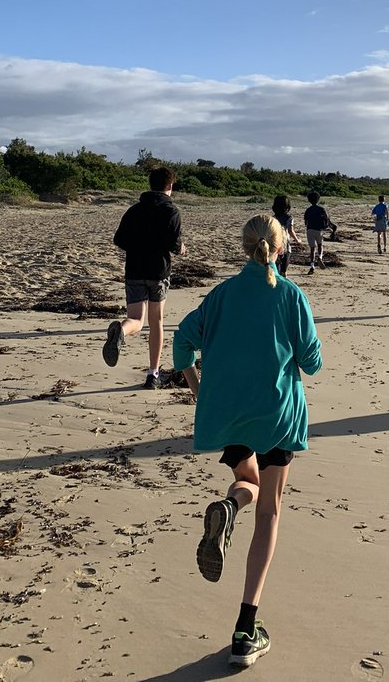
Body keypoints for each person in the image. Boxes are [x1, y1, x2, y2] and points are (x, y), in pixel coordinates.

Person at [173, 215, 322, 667]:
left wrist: (196, 382)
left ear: (245, 248)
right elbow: (312, 362)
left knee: (246, 480)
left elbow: (182, 341)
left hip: (229, 412)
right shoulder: (291, 295)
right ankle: (245, 627)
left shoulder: (219, 295)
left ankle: (229, 507)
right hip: (276, 413)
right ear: (280, 248)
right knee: (271, 510)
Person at [105, 166, 186, 389]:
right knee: (156, 322)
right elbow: (174, 244)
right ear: (169, 186)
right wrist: (181, 249)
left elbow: (119, 239)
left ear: (150, 185)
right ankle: (153, 374)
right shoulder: (172, 212)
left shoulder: (134, 210)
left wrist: (138, 245)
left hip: (134, 270)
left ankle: (120, 330)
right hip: (158, 272)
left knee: (136, 321)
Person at [303, 191, 336, 275]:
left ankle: (312, 266)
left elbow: (306, 222)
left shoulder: (308, 210)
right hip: (319, 230)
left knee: (312, 249)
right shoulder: (321, 209)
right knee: (320, 245)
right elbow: (327, 220)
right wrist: (332, 227)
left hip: (310, 230)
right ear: (318, 199)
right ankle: (320, 257)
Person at [271, 195, 302, 277]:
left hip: (275, 244)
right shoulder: (289, 218)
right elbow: (290, 230)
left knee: (276, 269)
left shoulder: (273, 218)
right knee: (284, 271)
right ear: (287, 206)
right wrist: (297, 240)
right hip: (285, 245)